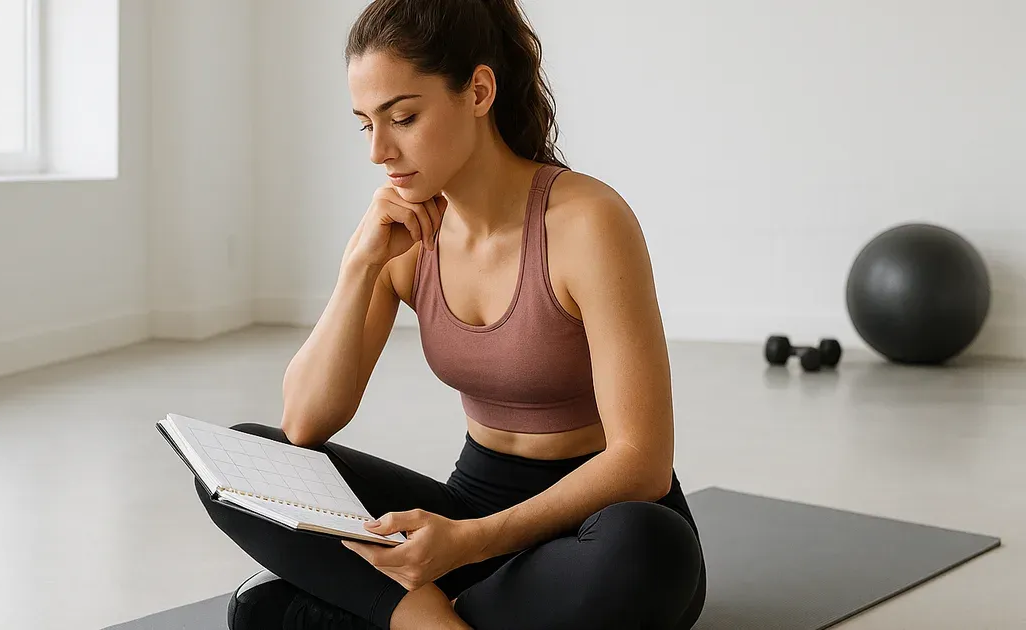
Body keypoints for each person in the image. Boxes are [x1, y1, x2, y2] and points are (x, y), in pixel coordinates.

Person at [194, 0, 706, 628]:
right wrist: (359, 268)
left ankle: (388, 615)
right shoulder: (402, 237)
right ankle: (437, 620)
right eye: (365, 124)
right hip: (467, 511)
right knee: (243, 462)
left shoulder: (586, 223)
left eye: (403, 117)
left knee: (648, 550)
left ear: (479, 91)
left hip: (591, 526)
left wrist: (469, 542)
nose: (380, 150)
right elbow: (303, 424)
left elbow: (642, 462)